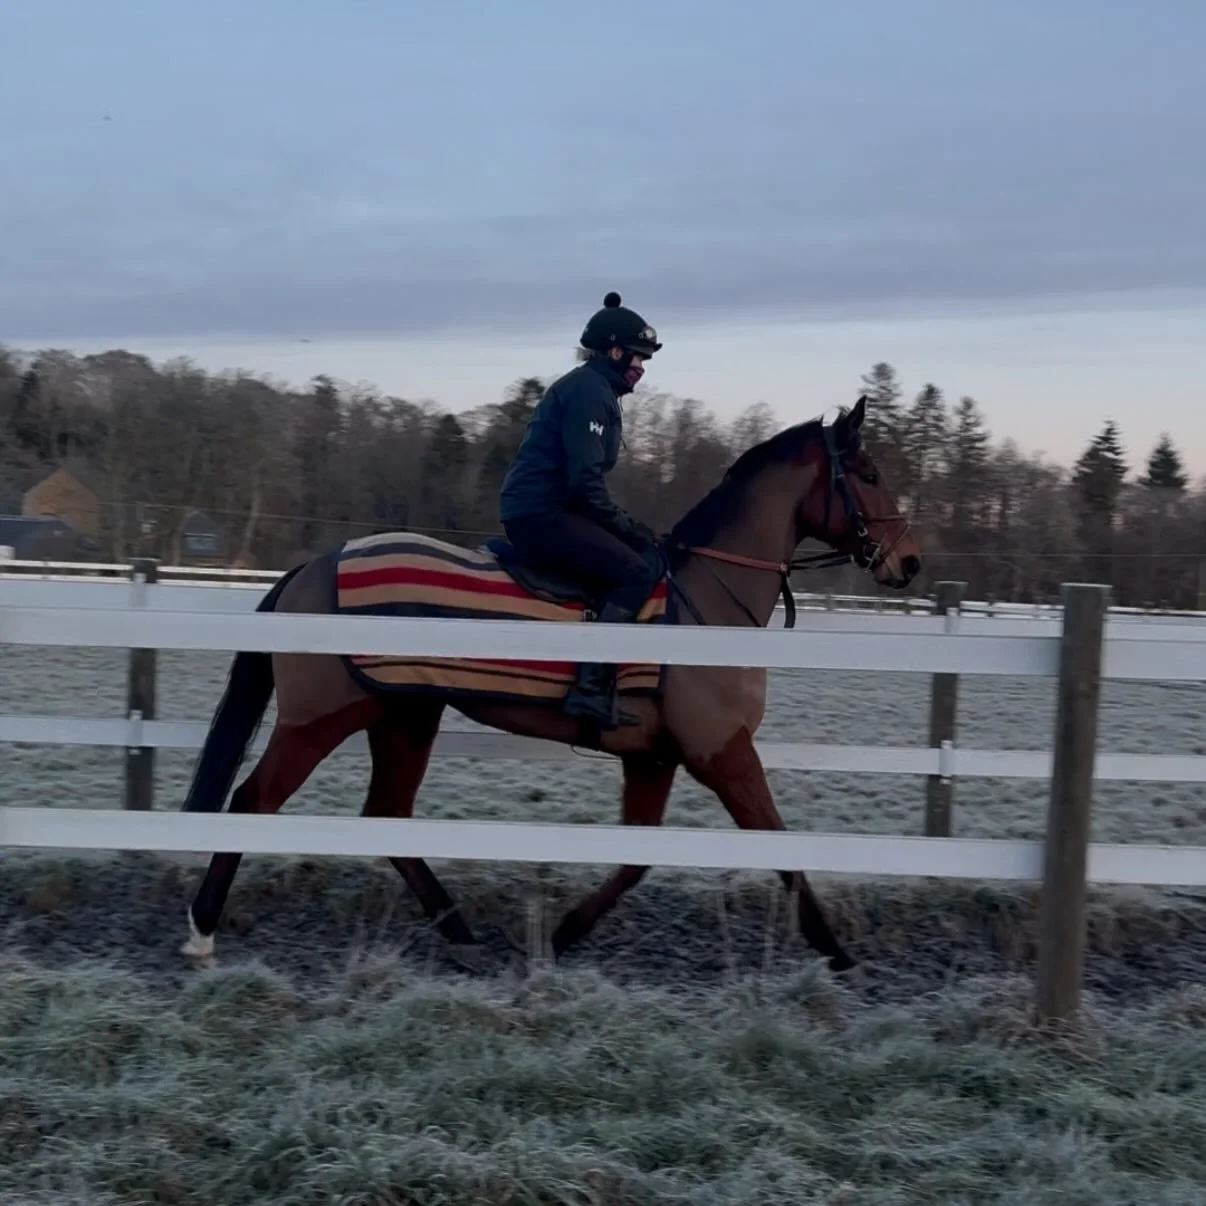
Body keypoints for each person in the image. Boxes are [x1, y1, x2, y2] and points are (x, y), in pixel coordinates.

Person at [499, 291, 664, 729]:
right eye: (637, 357)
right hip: (541, 514)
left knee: (642, 555)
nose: (641, 368)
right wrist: (629, 527)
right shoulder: (590, 392)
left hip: (553, 510)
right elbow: (585, 485)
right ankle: (588, 689)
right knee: (636, 572)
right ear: (613, 351)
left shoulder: (596, 389)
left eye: (645, 360)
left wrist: (630, 529)